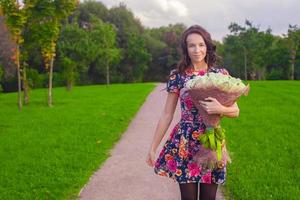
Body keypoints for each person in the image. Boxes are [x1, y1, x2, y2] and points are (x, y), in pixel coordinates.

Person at [145, 25, 240, 200]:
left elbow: (235, 111)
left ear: (207, 46)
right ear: (186, 49)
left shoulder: (220, 74)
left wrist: (220, 109)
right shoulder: (178, 76)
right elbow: (167, 114)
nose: (197, 50)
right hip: (185, 141)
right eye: (192, 46)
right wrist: (153, 147)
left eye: (201, 45)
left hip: (211, 141)